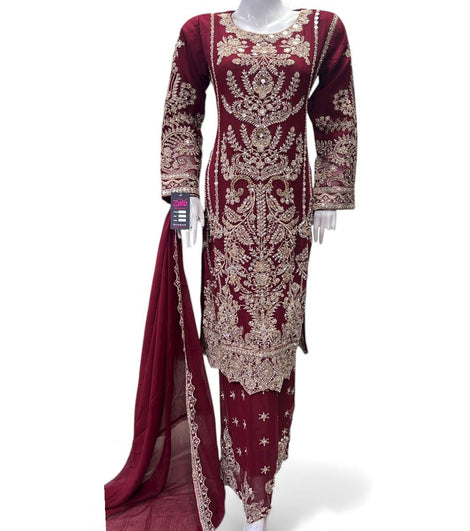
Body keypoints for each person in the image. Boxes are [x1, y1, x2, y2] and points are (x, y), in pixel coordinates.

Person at [104, 3, 357, 530]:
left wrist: (331, 191)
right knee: (236, 339)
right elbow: (181, 115)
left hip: (288, 216)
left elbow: (338, 116)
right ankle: (242, 484)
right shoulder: (202, 33)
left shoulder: (323, 30)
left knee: (275, 342)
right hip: (228, 218)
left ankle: (262, 488)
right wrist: (182, 195)